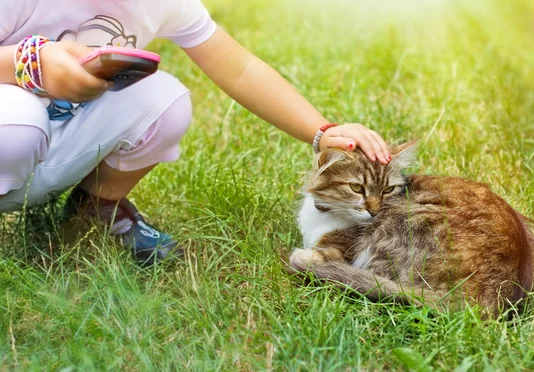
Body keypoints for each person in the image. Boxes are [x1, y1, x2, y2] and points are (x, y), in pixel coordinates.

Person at [0, 0, 391, 265]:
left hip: (50, 145)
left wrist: (321, 130)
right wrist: (26, 63)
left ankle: (94, 212)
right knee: (20, 123)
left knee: (165, 101)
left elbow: (238, 68)